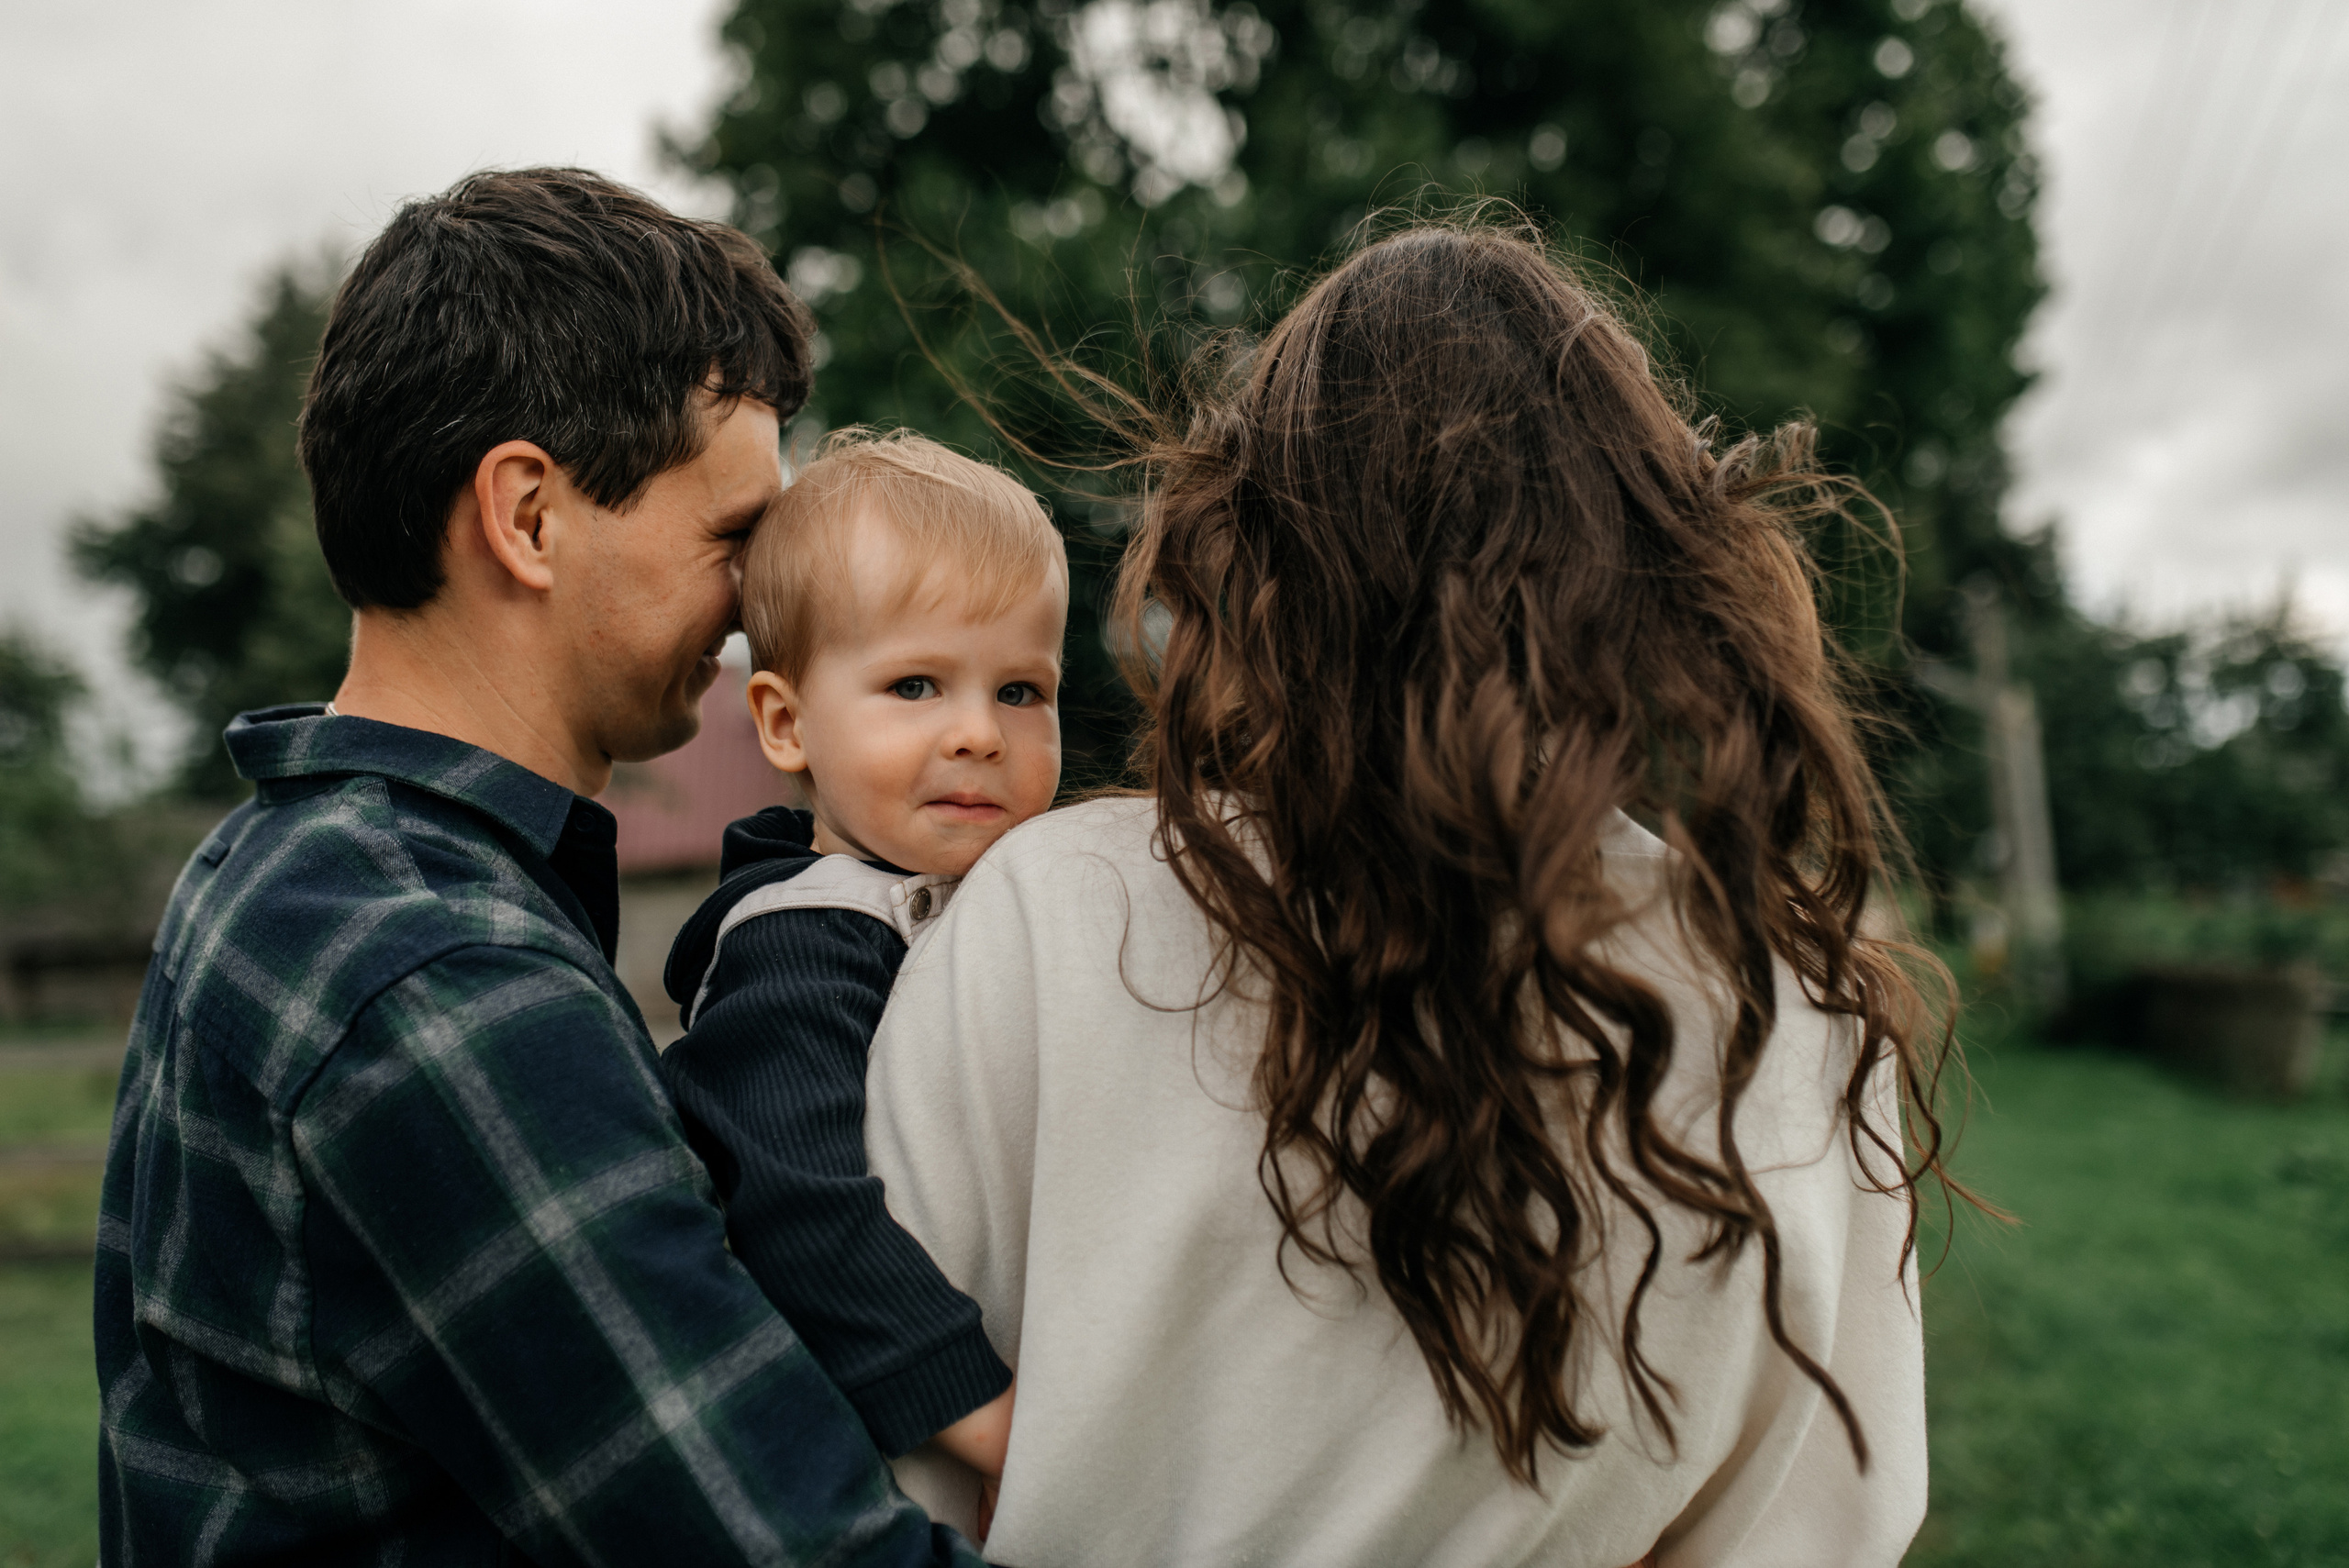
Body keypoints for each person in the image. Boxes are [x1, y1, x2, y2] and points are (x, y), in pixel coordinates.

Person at [861, 224, 1949, 1565]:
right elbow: (1820, 1533)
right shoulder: (1798, 1014)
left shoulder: (1043, 915)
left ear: (1249, 554)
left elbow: (877, 1453)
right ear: (1632, 558)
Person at [94, 169, 980, 1566]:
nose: (762, 604)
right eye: (734, 536)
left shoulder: (290, 862)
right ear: (528, 517)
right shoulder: (435, 973)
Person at [658, 429, 1069, 1530]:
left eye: (1023, 689)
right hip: (900, 1457)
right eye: (917, 683)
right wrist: (989, 1418)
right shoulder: (805, 938)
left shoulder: (1016, 904)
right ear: (786, 723)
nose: (979, 731)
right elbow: (794, 1202)